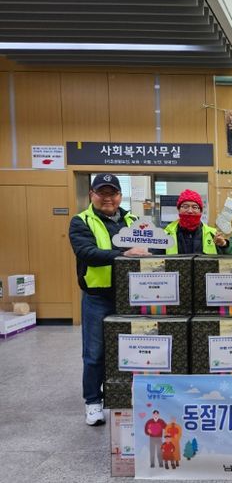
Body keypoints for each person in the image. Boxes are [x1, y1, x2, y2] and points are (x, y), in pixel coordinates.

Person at [69, 173, 151, 426]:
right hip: (98, 297)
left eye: (112, 193)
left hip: (132, 297)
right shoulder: (81, 221)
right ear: (91, 195)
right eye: (102, 193)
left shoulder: (134, 220)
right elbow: (87, 252)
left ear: (120, 196)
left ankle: (132, 397)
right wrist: (123, 254)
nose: (108, 198)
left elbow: (152, 247)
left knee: (137, 350)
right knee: (95, 353)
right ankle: (93, 402)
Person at [164, 189, 227, 254]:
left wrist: (224, 245)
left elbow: (229, 257)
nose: (190, 211)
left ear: (200, 211)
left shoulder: (213, 234)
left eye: (194, 207)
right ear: (178, 209)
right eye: (185, 207)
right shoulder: (165, 234)